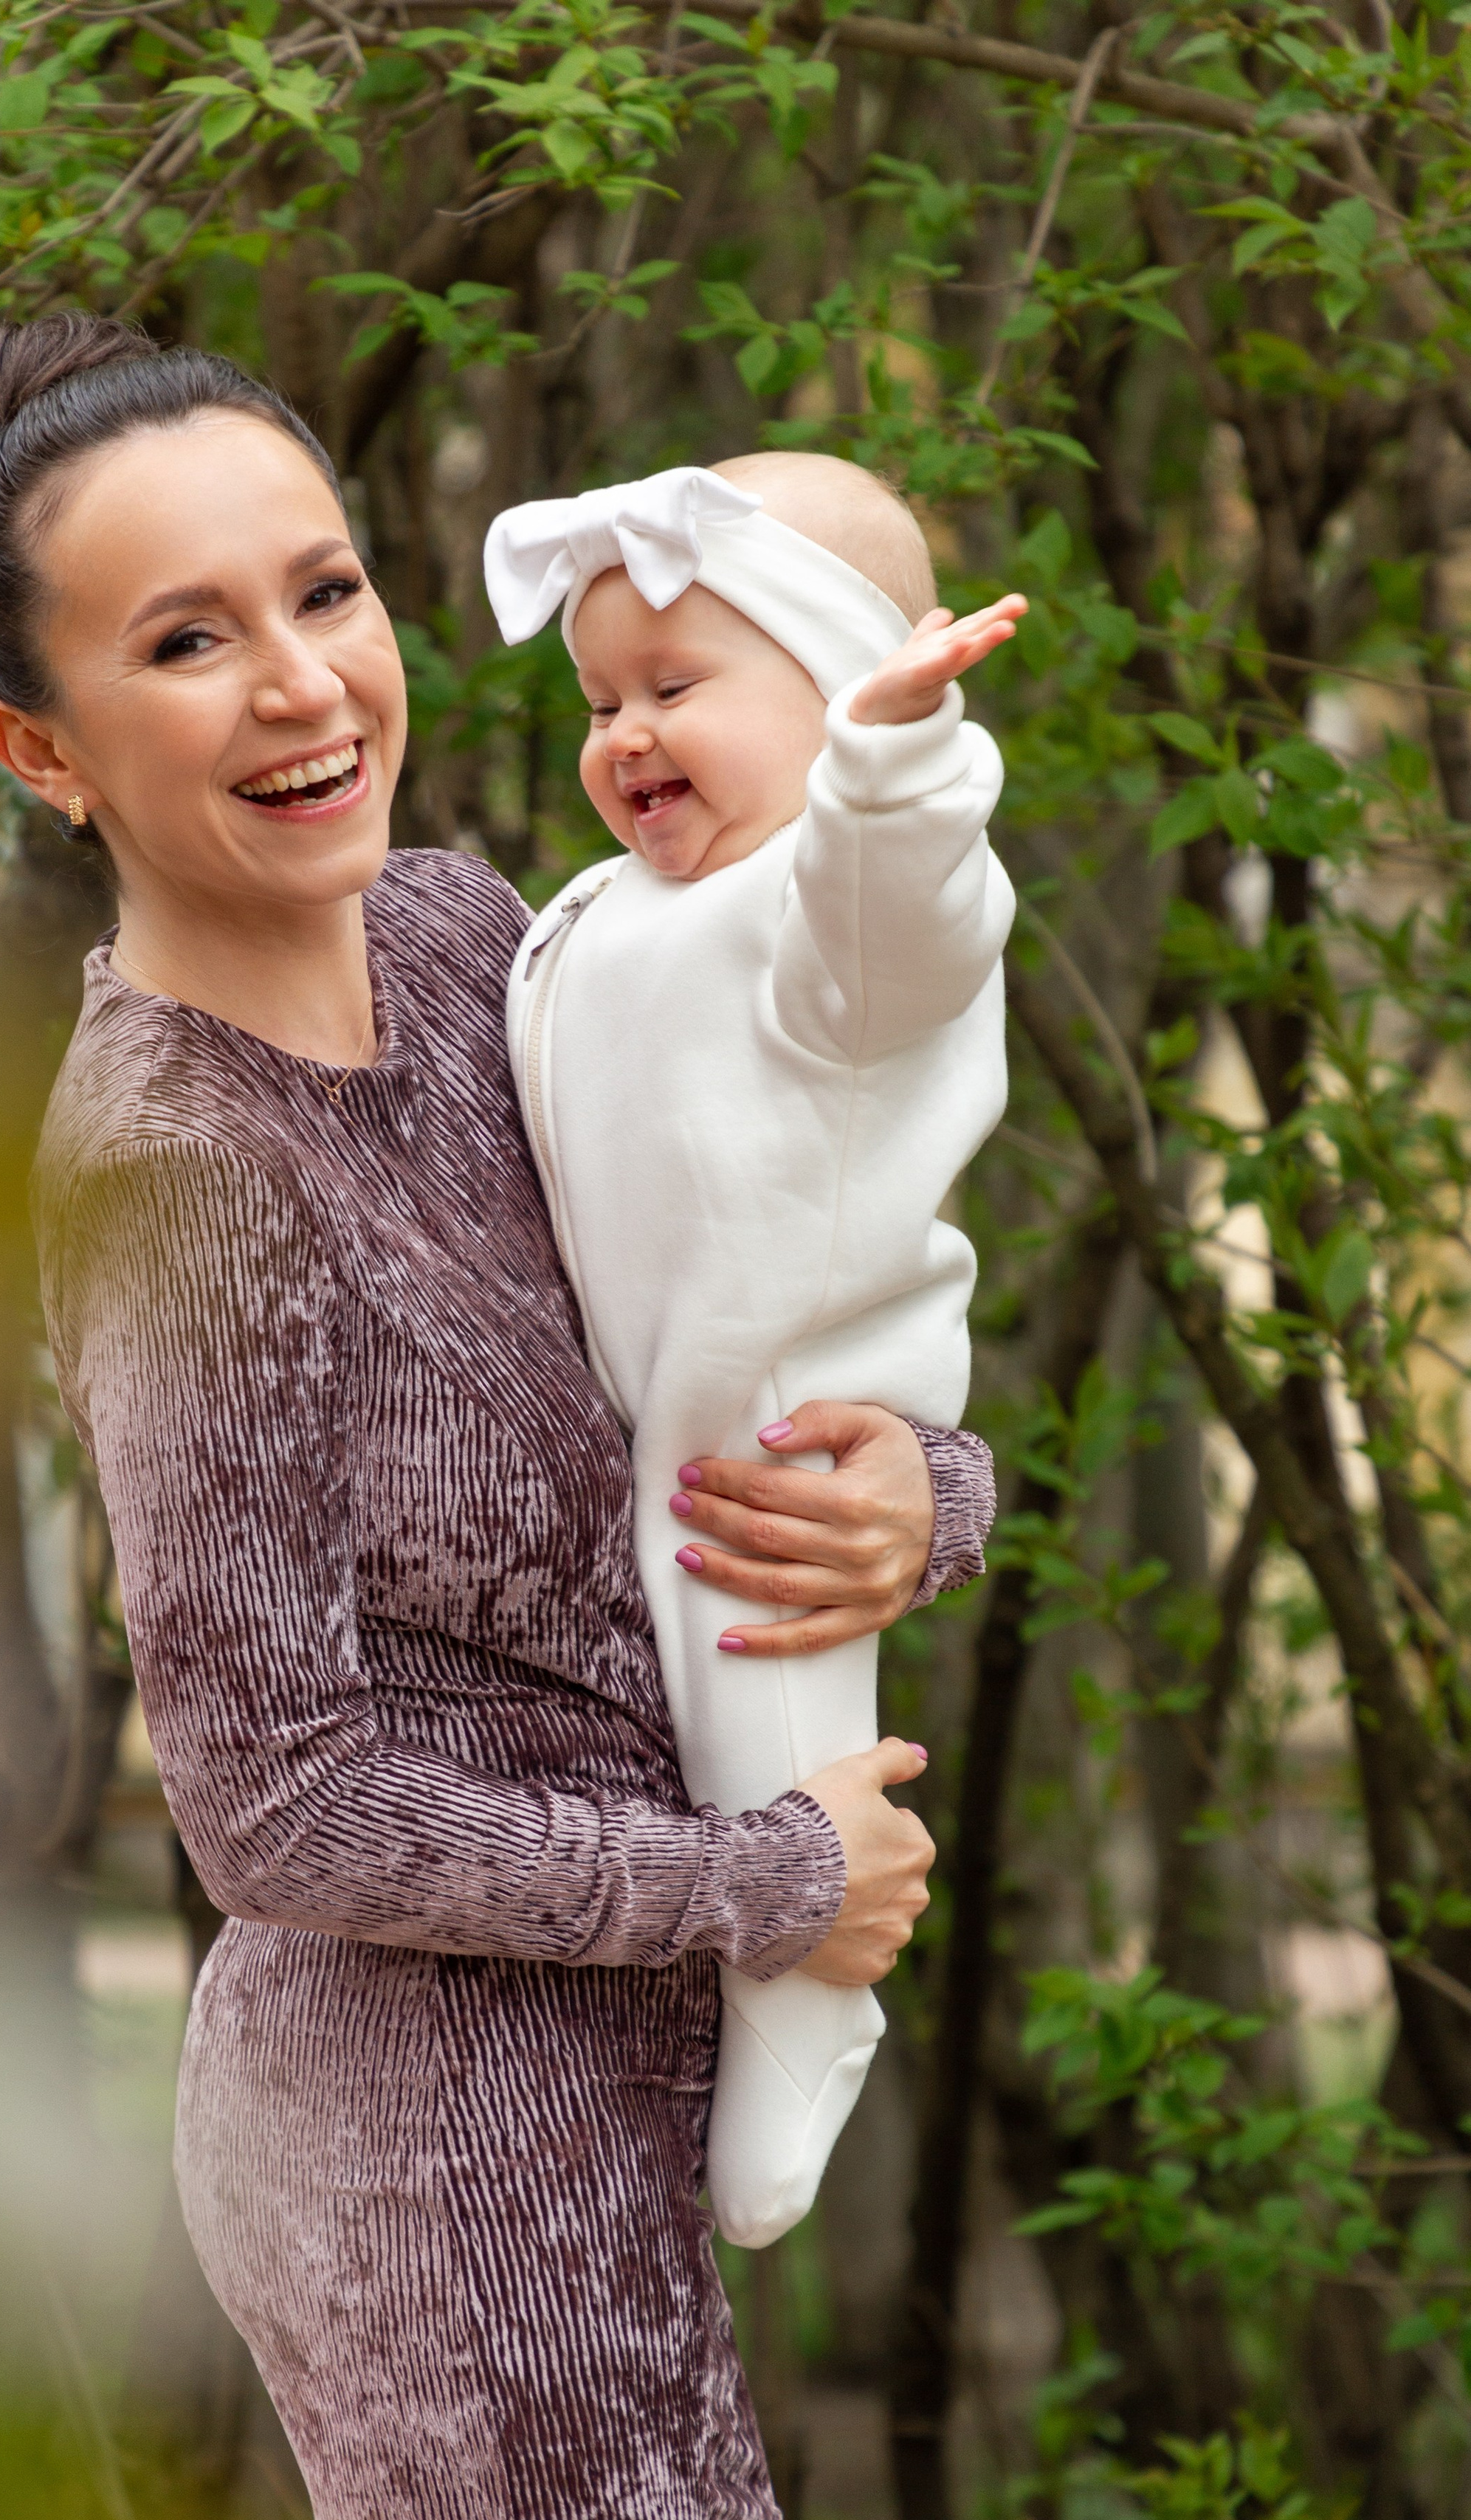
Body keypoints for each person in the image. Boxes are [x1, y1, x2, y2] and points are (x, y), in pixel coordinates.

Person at [0, 314, 994, 2520]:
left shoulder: (484, 937)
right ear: (39, 751)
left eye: (328, 590)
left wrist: (922, 1496)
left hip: (628, 2105)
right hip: (423, 2157)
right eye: (185, 640)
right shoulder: (182, 1176)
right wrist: (762, 1881)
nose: (303, 688)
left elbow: (747, 1309)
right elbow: (276, 1811)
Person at [486, 461, 1018, 2251]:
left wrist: (891, 764)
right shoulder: (590, 907)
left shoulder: (830, 913)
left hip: (778, 1416)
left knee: (770, 1710)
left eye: (676, 687)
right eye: (599, 699)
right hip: (649, 1390)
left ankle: (806, 2009)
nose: (627, 731)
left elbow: (908, 917)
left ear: (834, 677)